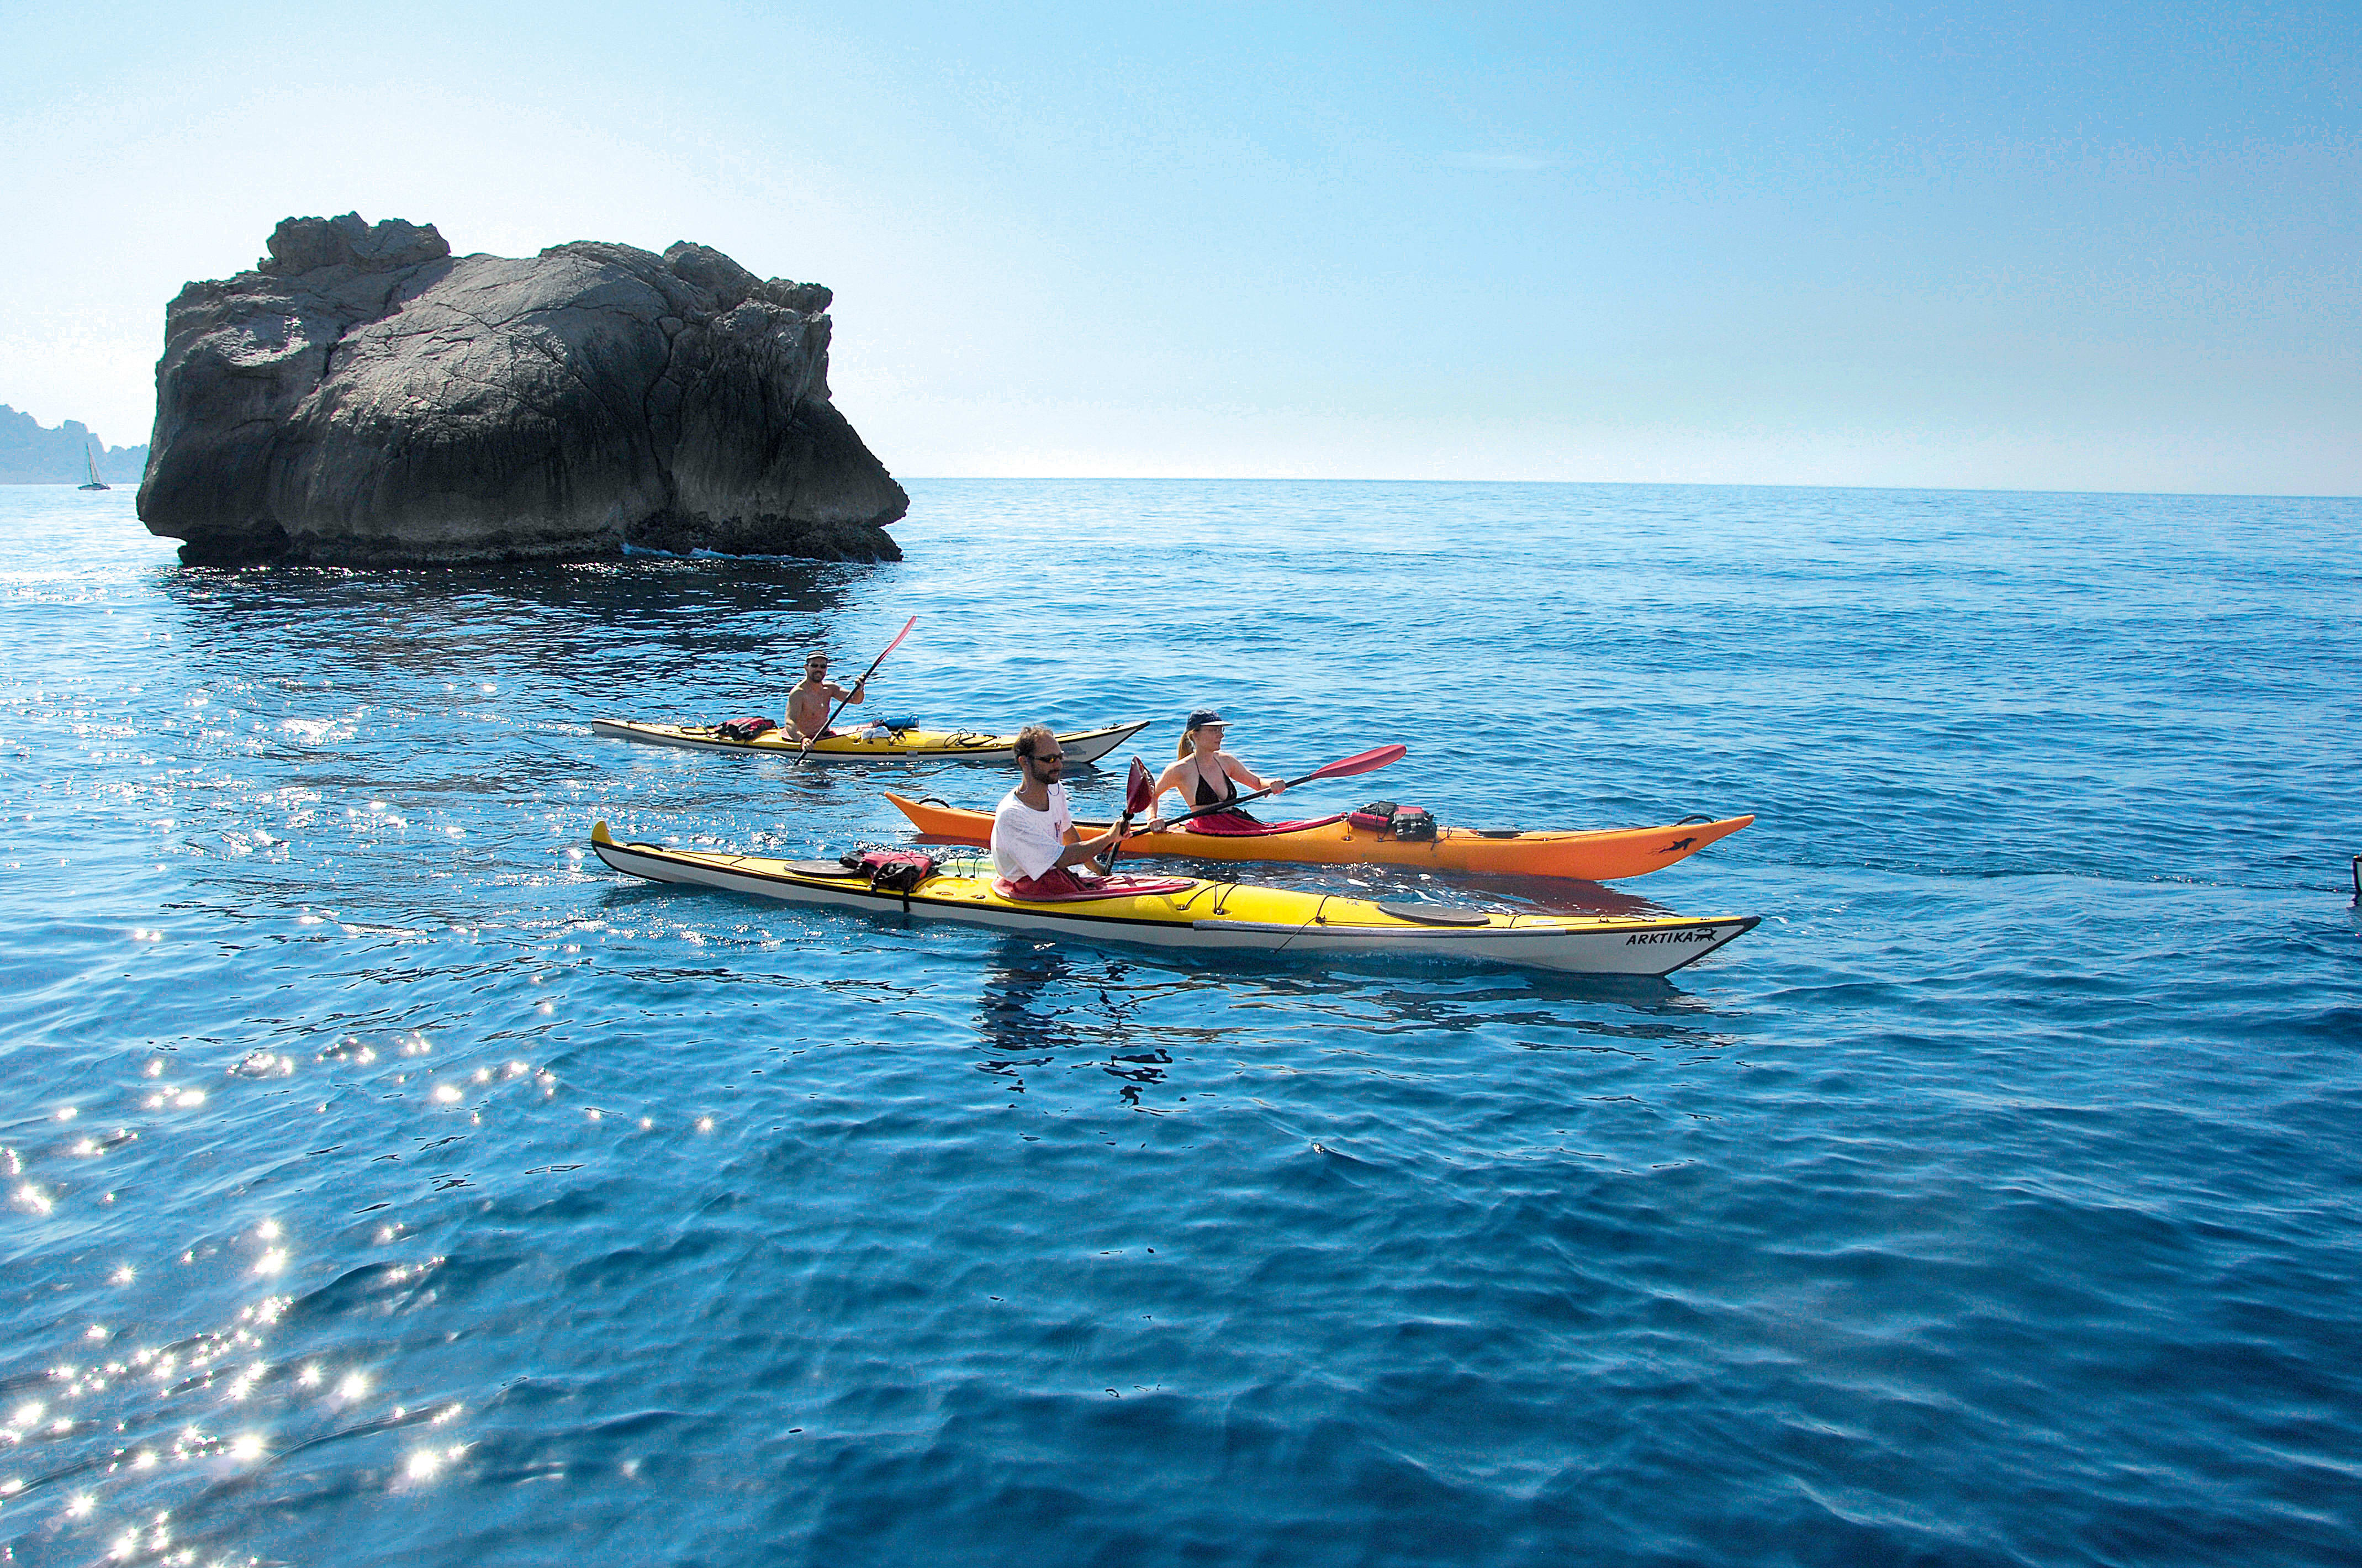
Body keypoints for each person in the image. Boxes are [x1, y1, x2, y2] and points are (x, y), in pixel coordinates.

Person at [991, 724, 1149, 896]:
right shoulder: (1012, 814)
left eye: (1060, 757)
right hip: (1027, 888)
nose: (1059, 765)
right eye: (1050, 760)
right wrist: (1108, 838)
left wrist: (1096, 868)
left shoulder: (1055, 788)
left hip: (1053, 875)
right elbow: (1061, 859)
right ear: (1025, 762)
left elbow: (1067, 831)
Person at [1148, 709, 1283, 831]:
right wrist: (1152, 819)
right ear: (1195, 735)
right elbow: (1152, 795)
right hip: (1208, 829)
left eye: (1221, 730)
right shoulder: (1180, 769)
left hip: (1237, 822)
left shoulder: (1227, 761)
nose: (1221, 736)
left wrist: (1272, 783)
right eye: (1214, 730)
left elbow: (1258, 783)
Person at [784, 651, 868, 742]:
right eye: (814, 666)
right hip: (807, 740)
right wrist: (803, 740)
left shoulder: (830, 688)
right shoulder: (798, 693)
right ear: (806, 667)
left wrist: (860, 689)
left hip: (825, 736)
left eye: (823, 667)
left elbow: (856, 700)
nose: (819, 669)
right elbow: (790, 722)